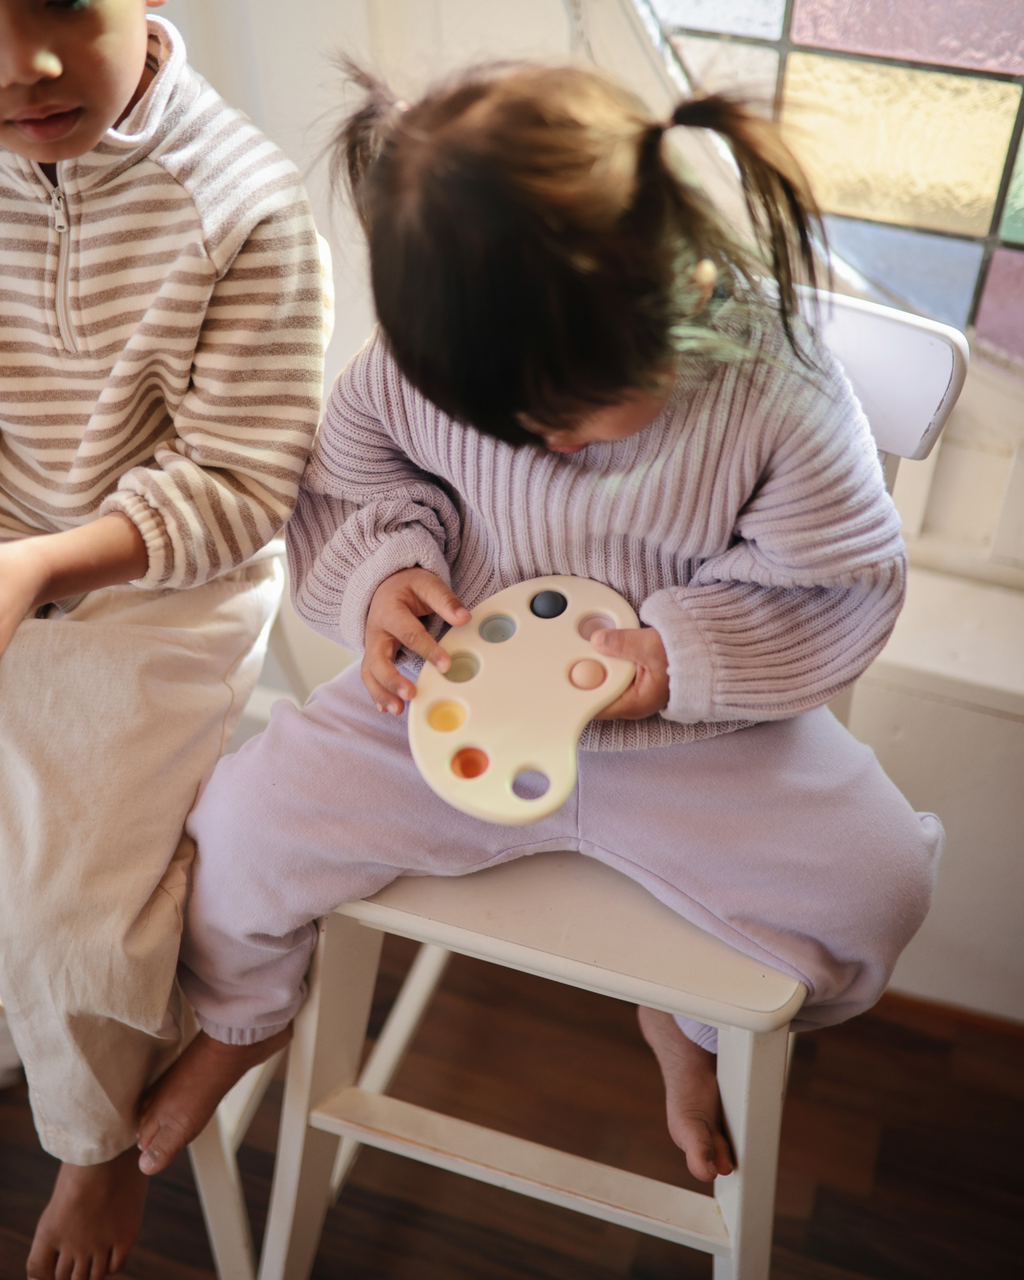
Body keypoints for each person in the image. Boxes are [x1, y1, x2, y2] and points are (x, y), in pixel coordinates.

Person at [137, 61, 942, 1193]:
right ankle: (244, 1018)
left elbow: (833, 579)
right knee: (236, 834)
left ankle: (686, 1027)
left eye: (567, 417)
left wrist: (678, 660)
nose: (541, 446)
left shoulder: (778, 392)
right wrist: (386, 575)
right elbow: (357, 482)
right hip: (441, 710)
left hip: (695, 740)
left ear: (678, 297)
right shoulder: (421, 366)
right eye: (499, 420)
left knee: (877, 887)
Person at [0, 3, 327, 1277]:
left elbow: (242, 484)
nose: (23, 65)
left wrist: (38, 566)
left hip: (160, 577)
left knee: (75, 898)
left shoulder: (242, 205)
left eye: (63, 10)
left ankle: (91, 1151)